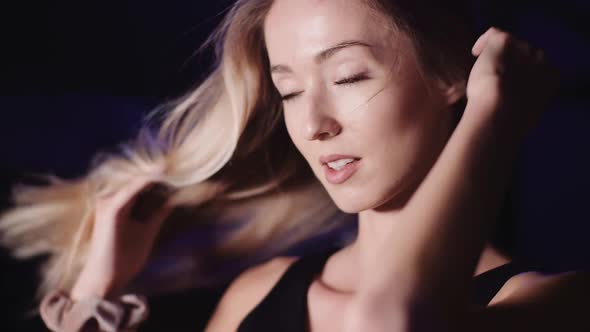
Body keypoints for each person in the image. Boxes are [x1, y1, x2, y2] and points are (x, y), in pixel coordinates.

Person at [0, 0, 587, 331]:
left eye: (348, 76)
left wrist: (496, 116)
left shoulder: (555, 304)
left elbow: (394, 318)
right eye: (289, 91)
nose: (313, 124)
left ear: (455, 76)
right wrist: (97, 290)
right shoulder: (258, 293)